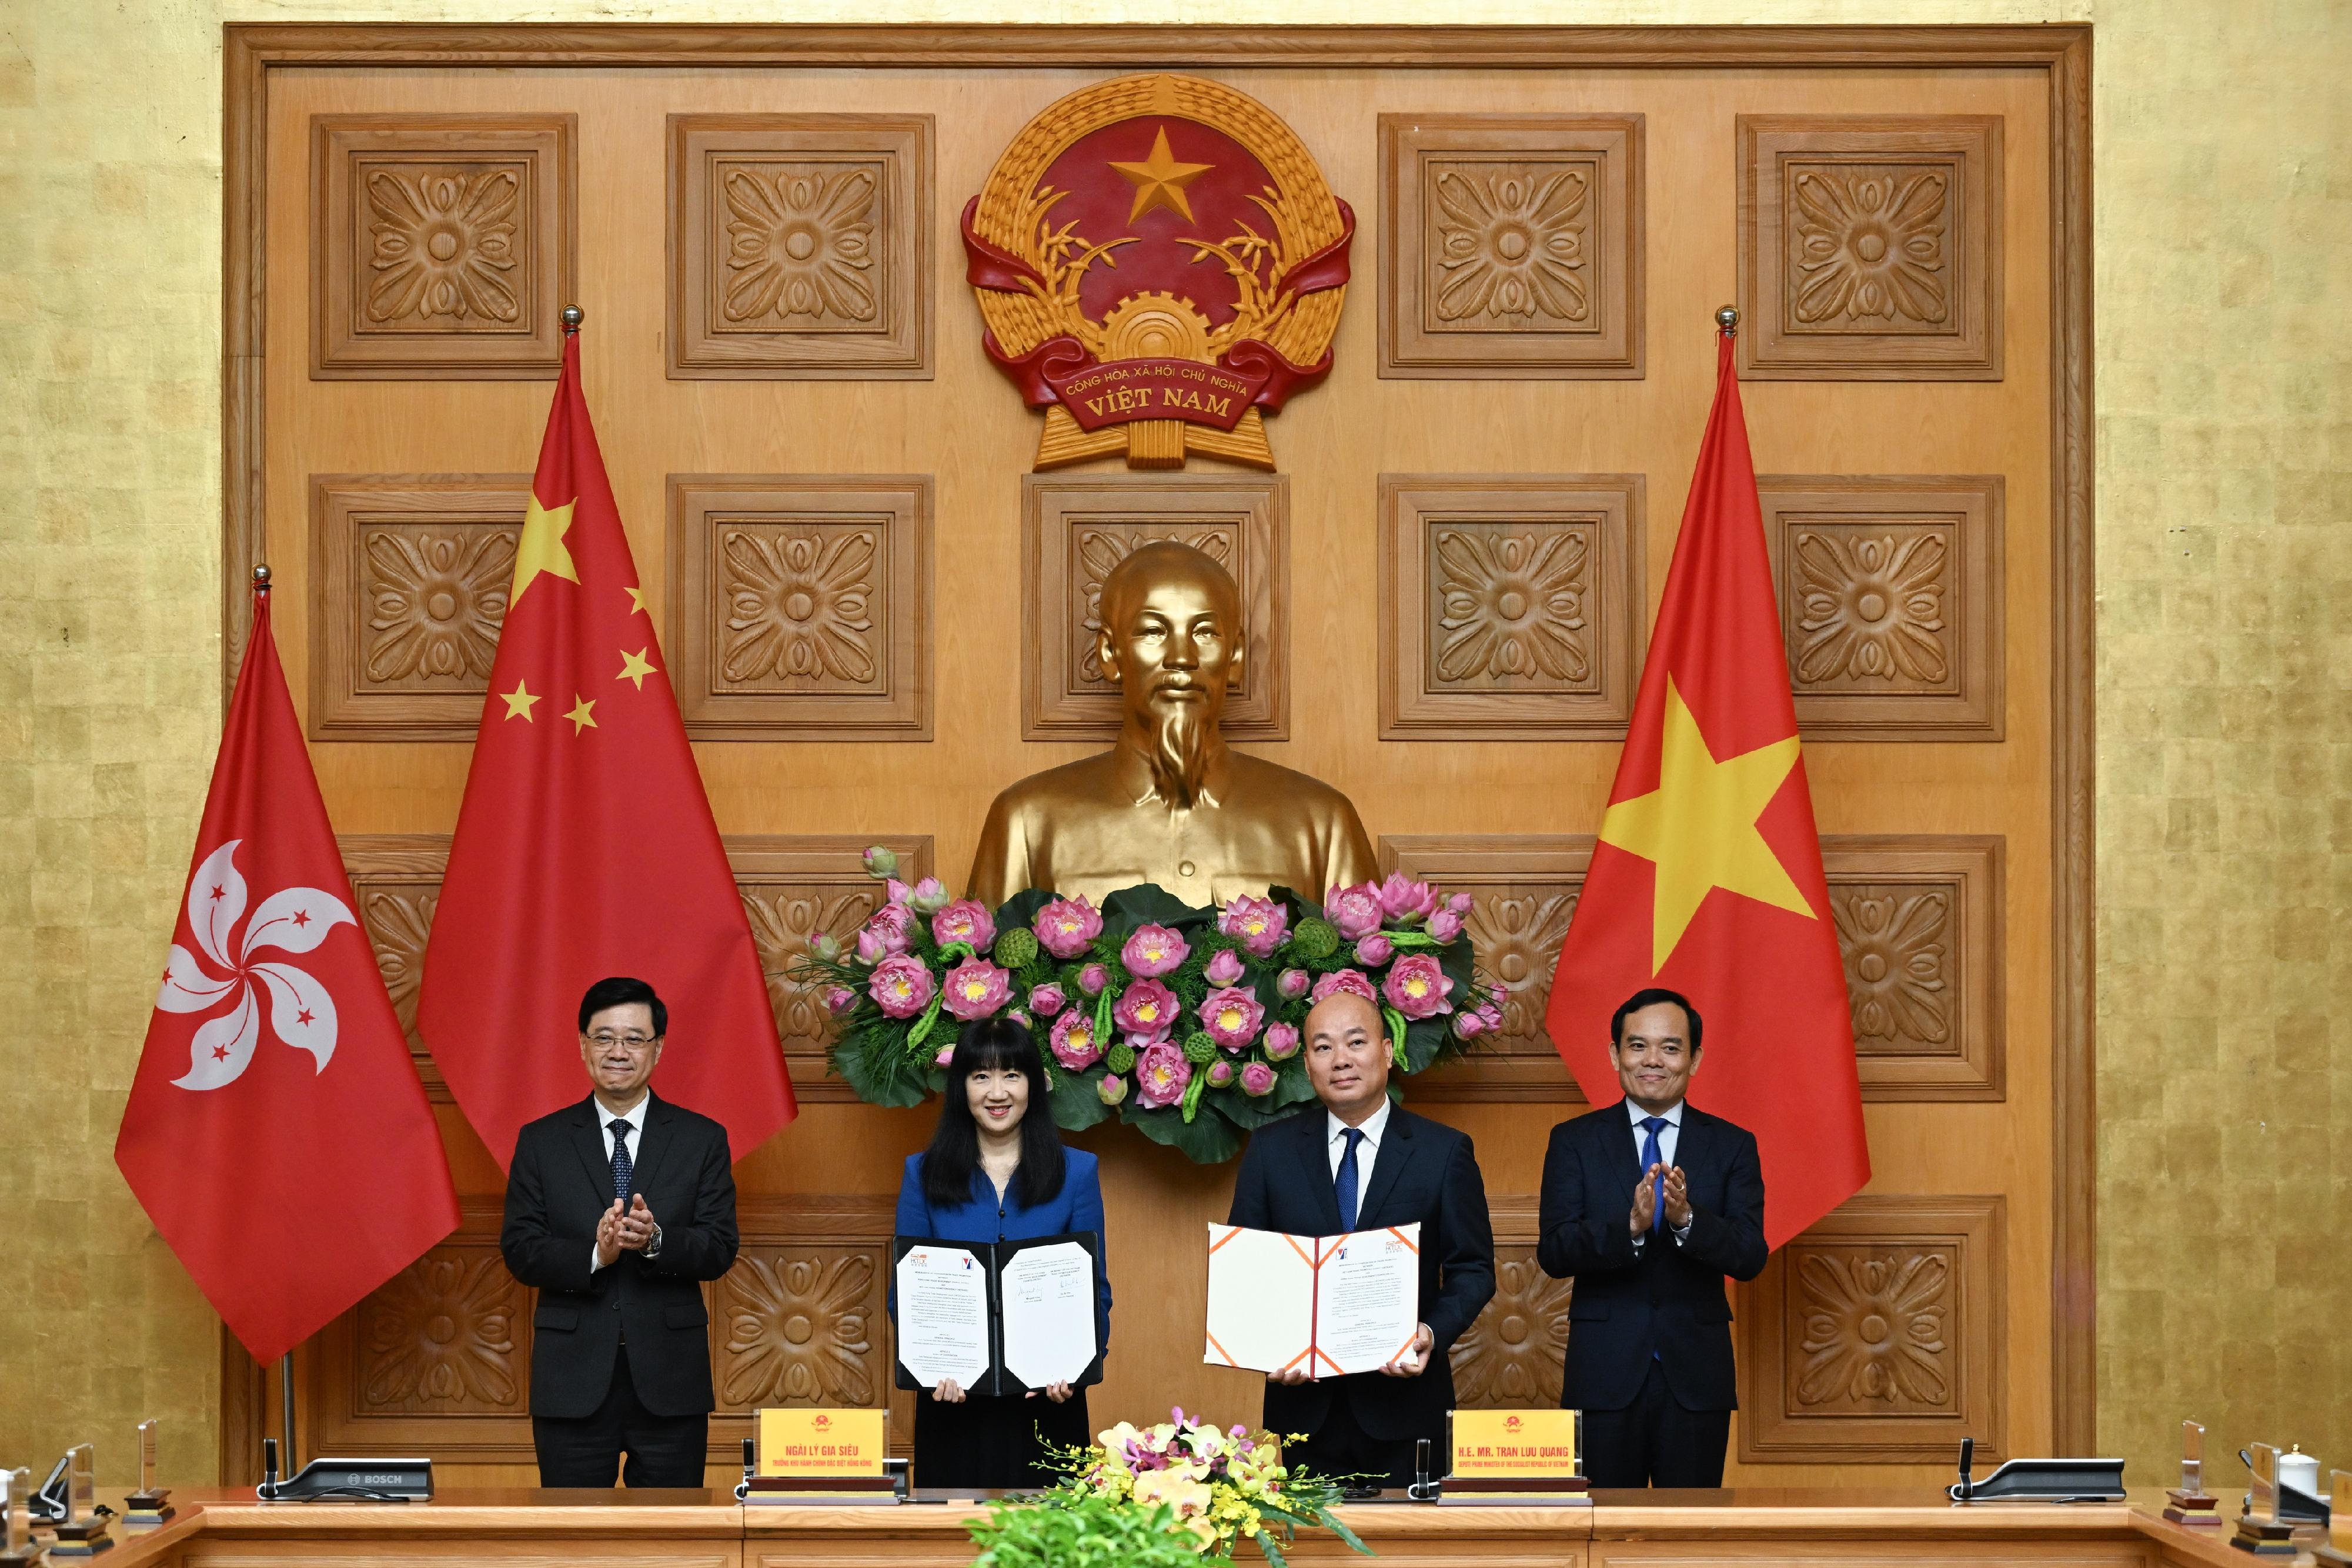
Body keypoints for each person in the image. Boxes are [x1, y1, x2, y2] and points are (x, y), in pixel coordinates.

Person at [965, 541, 1377, 907]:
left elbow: (1361, 988)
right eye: (1153, 631)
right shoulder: (1027, 822)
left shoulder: (1323, 824)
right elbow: (985, 980)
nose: (1182, 657)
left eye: (1204, 632)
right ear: (1110, 653)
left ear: (1234, 658)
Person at [1226, 988, 1495, 1489]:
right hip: (1305, 1409)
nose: (1341, 1059)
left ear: (1388, 1052)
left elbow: (1473, 1269)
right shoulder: (1271, 1152)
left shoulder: (1443, 1151)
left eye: (1356, 1041)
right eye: (1324, 1047)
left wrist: (1429, 1333)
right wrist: (1269, 1347)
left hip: (1408, 1410)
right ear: (1307, 1065)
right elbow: (1248, 1269)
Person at [500, 976, 740, 1487]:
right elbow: (520, 1250)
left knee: (672, 1545)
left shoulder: (702, 1138)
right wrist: (596, 1253)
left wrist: (655, 1240)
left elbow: (720, 1246)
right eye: (604, 1036)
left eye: (634, 1038)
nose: (618, 1051)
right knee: (574, 1547)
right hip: (571, 1381)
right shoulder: (541, 1141)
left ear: (658, 1048)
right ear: (582, 1044)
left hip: (671, 1380)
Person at [1536, 987, 1768, 1488]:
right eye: (1638, 1046)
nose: (1653, 1060)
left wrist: (1687, 1219)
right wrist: (1631, 1228)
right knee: (1602, 1535)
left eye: (1670, 1047)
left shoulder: (1732, 1144)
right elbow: (1555, 1249)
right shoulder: (1573, 1140)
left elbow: (1751, 1254)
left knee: (1688, 1540)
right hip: (1602, 1375)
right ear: (1615, 1054)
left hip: (1696, 1378)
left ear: (1695, 1058)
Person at [893, 1016, 1111, 1490]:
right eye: (981, 1076)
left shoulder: (1077, 1172)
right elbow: (905, 1294)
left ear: (1033, 1083)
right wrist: (932, 1370)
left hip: (1048, 1405)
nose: (997, 1092)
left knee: (1051, 1558)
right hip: (952, 1407)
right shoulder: (923, 1174)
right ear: (962, 1088)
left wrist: (1074, 1368)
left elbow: (1094, 1292)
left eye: (1012, 1074)